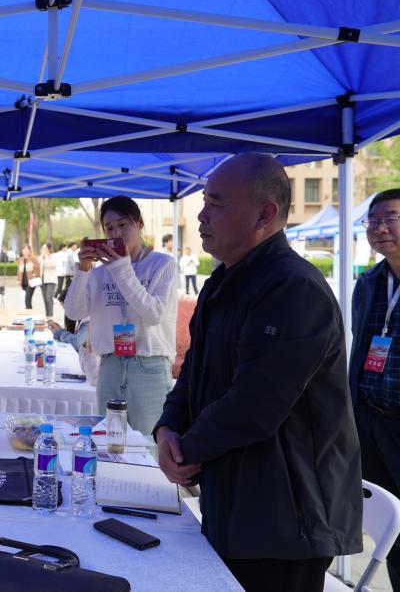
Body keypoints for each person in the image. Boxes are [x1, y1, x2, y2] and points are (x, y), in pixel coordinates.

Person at [154, 153, 361, 592]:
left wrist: (186, 448)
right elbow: (194, 371)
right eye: (204, 203)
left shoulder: (292, 287)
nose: (202, 216)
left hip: (285, 516)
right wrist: (168, 428)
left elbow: (256, 405)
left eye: (216, 204)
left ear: (265, 214)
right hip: (235, 498)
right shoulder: (225, 282)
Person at [64, 196, 177, 434]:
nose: (116, 233)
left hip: (149, 367)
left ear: (140, 224)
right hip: (110, 365)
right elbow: (74, 312)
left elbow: (154, 315)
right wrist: (83, 270)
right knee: (110, 443)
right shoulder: (99, 273)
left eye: (123, 224)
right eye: (109, 228)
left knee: (149, 445)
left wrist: (121, 268)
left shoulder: (162, 265)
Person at [350, 188, 400, 590]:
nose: (379, 228)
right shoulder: (368, 282)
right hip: (372, 420)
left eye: (390, 219)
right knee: (391, 531)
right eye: (373, 220)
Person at [16, 244, 39, 310]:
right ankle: (28, 313)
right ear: (22, 251)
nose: (25, 251)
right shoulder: (20, 260)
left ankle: (30, 314)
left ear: (29, 250)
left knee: (27, 300)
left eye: (27, 249)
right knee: (26, 300)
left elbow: (37, 269)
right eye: (24, 249)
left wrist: (35, 276)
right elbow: (19, 271)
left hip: (31, 282)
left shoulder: (33, 259)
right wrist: (18, 280)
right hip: (24, 283)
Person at [39, 242, 58, 318]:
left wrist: (46, 256)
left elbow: (51, 265)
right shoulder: (41, 257)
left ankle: (50, 316)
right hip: (43, 281)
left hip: (51, 280)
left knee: (49, 298)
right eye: (42, 248)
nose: (43, 250)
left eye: (44, 248)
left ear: (49, 249)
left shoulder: (53, 256)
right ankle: (47, 316)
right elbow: (38, 265)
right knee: (45, 299)